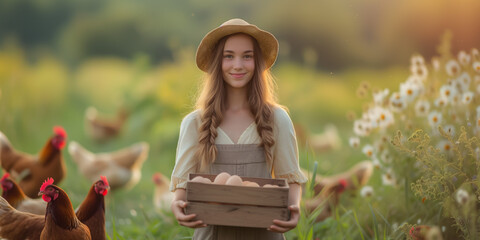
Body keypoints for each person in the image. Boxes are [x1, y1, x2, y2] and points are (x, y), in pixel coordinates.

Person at [170, 18, 308, 240]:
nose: (238, 65)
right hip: (211, 234)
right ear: (218, 62)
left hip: (265, 233)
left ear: (257, 62)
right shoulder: (194, 123)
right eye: (228, 56)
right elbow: (182, 189)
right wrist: (177, 205)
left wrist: (294, 206)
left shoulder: (277, 119)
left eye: (247, 56)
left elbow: (290, 179)